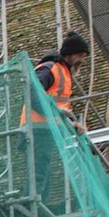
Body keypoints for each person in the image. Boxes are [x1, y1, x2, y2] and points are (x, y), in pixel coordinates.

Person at [24, 31, 91, 208]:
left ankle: (34, 209)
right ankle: (30, 210)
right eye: (79, 55)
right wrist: (57, 115)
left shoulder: (64, 73)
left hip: (46, 128)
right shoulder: (50, 68)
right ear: (68, 54)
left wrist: (71, 123)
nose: (81, 60)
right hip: (36, 128)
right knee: (38, 174)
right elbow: (32, 94)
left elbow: (58, 107)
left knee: (42, 173)